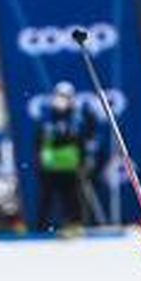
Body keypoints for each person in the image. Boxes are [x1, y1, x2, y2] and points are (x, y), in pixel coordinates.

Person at [28, 82, 96, 232]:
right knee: (45, 200)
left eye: (66, 97)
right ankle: (41, 229)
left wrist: (84, 160)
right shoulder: (47, 117)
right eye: (59, 96)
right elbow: (39, 141)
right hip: (49, 167)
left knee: (72, 199)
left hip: (70, 167)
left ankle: (75, 225)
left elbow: (83, 141)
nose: (62, 100)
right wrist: (39, 160)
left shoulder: (78, 118)